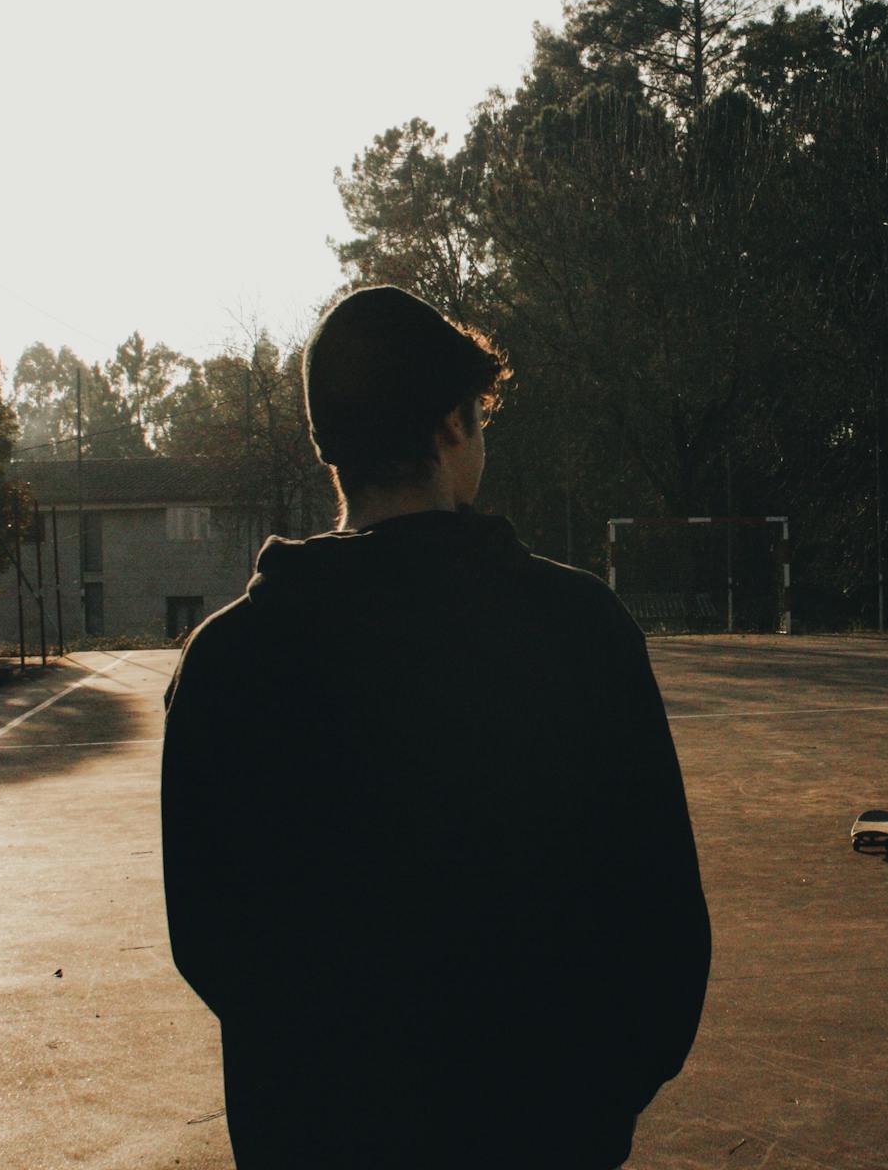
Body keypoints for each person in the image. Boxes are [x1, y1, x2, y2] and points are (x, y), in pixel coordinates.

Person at [161, 285, 712, 1168]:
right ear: (452, 428)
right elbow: (662, 921)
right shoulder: (578, 630)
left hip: (316, 1137)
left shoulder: (227, 660)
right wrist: (598, 1104)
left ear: (330, 447)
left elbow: (211, 940)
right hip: (545, 1133)